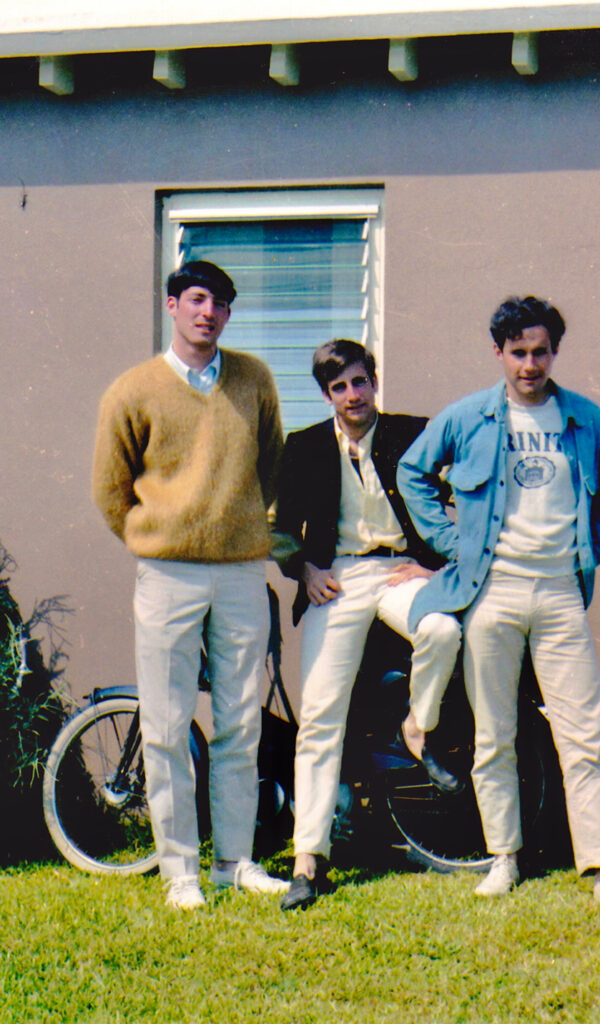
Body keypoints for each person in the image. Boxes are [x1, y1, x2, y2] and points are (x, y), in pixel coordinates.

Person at [397, 295, 600, 913]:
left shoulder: (585, 420)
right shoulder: (468, 418)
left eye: (540, 351)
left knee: (583, 733)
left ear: (555, 352)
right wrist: (455, 544)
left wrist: (589, 552)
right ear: (499, 353)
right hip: (490, 592)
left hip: (557, 594)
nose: (530, 364)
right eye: (518, 353)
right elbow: (413, 472)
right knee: (495, 731)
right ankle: (504, 858)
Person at [92, 260, 288, 909]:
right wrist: (157, 540)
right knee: (168, 725)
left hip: (238, 572)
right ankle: (181, 872)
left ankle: (235, 861)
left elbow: (273, 466)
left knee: (239, 721)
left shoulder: (254, 380)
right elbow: (110, 490)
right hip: (168, 573)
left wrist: (248, 535)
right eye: (197, 299)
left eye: (222, 304)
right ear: (173, 305)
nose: (209, 312)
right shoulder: (133, 389)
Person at [271, 339, 462, 911]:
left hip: (401, 571)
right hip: (338, 579)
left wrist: (436, 562)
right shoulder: (304, 448)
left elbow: (467, 498)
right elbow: (280, 529)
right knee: (321, 714)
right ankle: (309, 859)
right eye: (339, 388)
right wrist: (303, 569)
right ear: (327, 395)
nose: (353, 396)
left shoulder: (413, 434)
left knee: (443, 631)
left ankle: (418, 727)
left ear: (374, 381)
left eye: (360, 382)